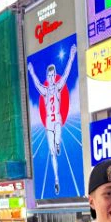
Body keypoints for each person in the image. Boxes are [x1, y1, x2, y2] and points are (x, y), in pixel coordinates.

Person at [28, 44, 77, 196]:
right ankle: (56, 179)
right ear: (47, 77)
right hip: (49, 122)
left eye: (52, 75)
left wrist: (71, 56)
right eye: (48, 76)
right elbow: (36, 83)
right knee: (51, 153)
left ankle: (57, 144)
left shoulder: (58, 86)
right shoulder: (44, 90)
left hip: (57, 121)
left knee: (57, 140)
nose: (50, 78)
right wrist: (31, 71)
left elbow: (67, 72)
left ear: (54, 75)